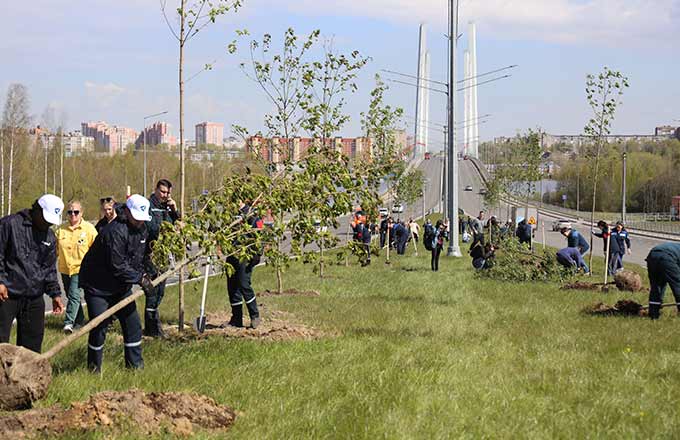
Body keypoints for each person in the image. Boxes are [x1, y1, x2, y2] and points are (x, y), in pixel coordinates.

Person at [79, 194, 152, 372]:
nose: (140, 222)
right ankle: (93, 370)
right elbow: (118, 265)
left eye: (142, 218)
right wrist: (139, 279)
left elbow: (138, 257)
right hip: (98, 286)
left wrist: (147, 272)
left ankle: (135, 368)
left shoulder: (142, 228)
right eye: (136, 218)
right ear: (127, 212)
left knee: (132, 324)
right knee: (99, 326)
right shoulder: (115, 231)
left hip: (120, 286)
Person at [0, 195, 65, 353]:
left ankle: (24, 377)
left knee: (32, 349)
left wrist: (55, 294)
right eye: (45, 218)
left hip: (34, 297)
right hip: (6, 294)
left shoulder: (49, 237)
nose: (47, 223)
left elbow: (49, 269)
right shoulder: (10, 224)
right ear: (37, 210)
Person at [143, 179, 180, 338]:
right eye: (162, 192)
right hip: (150, 253)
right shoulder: (149, 206)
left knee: (160, 292)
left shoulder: (167, 207)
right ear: (156, 190)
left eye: (167, 193)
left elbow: (177, 225)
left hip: (163, 253)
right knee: (152, 290)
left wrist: (174, 211)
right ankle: (153, 327)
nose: (165, 195)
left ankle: (152, 324)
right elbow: (151, 228)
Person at [56, 200, 98, 333]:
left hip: (80, 269)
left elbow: (96, 249)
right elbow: (54, 250)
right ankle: (79, 320)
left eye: (76, 212)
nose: (73, 215)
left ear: (81, 213)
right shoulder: (60, 230)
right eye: (70, 212)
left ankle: (68, 323)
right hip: (64, 269)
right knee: (70, 295)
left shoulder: (89, 229)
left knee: (74, 295)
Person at [226, 203, 264, 329]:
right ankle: (236, 319)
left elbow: (259, 235)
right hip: (232, 254)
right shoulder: (228, 214)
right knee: (232, 287)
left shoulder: (251, 214)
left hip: (246, 255)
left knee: (243, 284)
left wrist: (257, 254)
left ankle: (254, 315)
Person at [645, 242, 680, 319]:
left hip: (652, 255)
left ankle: (653, 313)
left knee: (657, 285)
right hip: (667, 257)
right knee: (677, 285)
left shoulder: (676, 246)